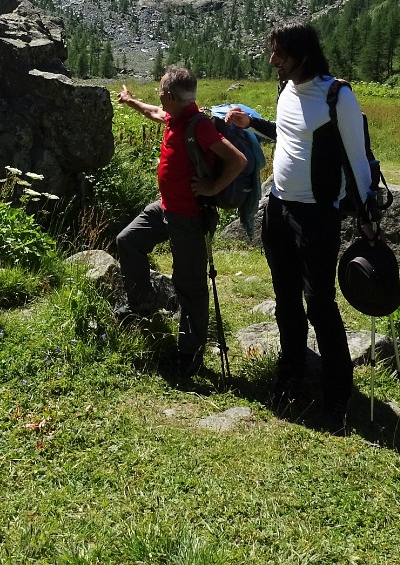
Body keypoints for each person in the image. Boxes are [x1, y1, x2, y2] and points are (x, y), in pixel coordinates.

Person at [224, 22, 372, 433]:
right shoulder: (286, 88)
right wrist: (250, 123)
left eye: (280, 55)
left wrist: (365, 218)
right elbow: (287, 136)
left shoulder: (336, 96)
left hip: (318, 215)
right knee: (285, 298)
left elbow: (357, 161)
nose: (273, 60)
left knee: (320, 304)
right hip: (279, 208)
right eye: (273, 52)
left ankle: (336, 396)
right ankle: (289, 374)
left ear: (303, 55)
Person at [115, 66, 248, 376]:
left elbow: (237, 160)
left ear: (171, 96)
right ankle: (142, 306)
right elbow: (154, 113)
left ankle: (190, 355)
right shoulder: (175, 116)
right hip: (165, 208)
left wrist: (213, 188)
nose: (158, 98)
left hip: (189, 217)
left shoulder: (198, 126)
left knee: (190, 286)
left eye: (161, 93)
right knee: (128, 241)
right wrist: (130, 101)